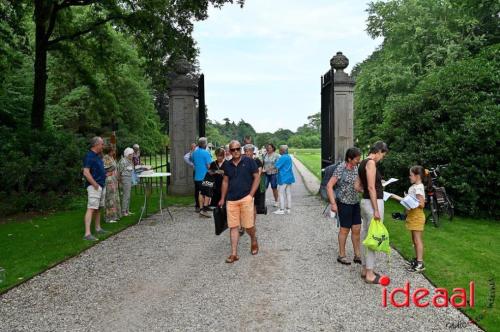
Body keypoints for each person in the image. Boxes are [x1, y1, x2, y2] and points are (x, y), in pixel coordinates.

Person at [218, 140, 260, 264]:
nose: (235, 151)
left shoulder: (249, 161)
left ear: (240, 150)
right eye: (233, 149)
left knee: (248, 226)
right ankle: (234, 253)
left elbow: (257, 177)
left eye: (237, 149)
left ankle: (253, 239)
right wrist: (222, 198)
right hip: (231, 200)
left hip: (246, 198)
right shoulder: (227, 164)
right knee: (233, 226)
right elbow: (225, 182)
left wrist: (251, 195)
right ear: (229, 151)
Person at [357, 141, 389, 284]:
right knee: (374, 237)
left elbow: (357, 186)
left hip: (365, 203)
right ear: (379, 151)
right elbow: (370, 187)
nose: (382, 158)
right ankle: (370, 274)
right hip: (372, 204)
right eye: (383, 155)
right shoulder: (371, 163)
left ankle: (365, 269)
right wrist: (376, 209)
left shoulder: (362, 163)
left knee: (366, 235)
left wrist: (374, 187)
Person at [326, 147, 363, 265]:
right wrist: (333, 203)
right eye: (357, 159)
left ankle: (357, 255)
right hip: (344, 203)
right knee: (345, 229)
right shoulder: (341, 168)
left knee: (357, 229)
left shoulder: (357, 168)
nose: (359, 161)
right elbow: (329, 186)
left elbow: (358, 184)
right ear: (349, 158)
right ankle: (341, 255)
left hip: (355, 203)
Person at [390, 166, 427, 272]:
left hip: (417, 216)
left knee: (417, 240)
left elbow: (422, 204)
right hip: (412, 215)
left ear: (417, 176)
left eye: (411, 175)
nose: (409, 177)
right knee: (414, 240)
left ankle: (420, 264)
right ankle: (417, 260)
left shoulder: (418, 187)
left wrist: (404, 198)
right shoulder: (415, 186)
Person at [82, 137, 109, 241]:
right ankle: (87, 234)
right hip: (94, 187)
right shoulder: (89, 156)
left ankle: (98, 228)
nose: (103, 146)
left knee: (98, 208)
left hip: (101, 185)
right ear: (96, 145)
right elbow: (86, 172)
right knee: (91, 207)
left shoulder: (97, 156)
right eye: (102, 144)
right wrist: (95, 185)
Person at [192, 137, 213, 217]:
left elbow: (193, 161)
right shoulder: (206, 153)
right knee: (207, 194)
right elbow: (209, 166)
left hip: (197, 177)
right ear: (205, 144)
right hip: (205, 177)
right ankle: (205, 209)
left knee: (200, 193)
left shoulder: (194, 152)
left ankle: (201, 209)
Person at [244, 144, 263, 223]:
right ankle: (243, 226)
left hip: (254, 187)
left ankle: (252, 224)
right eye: (246, 151)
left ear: (253, 152)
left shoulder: (257, 161)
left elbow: (258, 174)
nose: (248, 153)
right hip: (244, 187)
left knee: (253, 207)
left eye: (250, 151)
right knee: (243, 207)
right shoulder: (242, 161)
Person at [273, 145, 295, 215]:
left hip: (284, 177)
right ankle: (288, 209)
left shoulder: (283, 157)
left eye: (280, 150)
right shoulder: (288, 156)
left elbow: (276, 166)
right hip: (289, 177)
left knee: (280, 193)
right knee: (288, 193)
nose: (279, 151)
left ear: (282, 150)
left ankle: (281, 209)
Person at [103, 145, 122, 223]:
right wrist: (107, 173)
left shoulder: (111, 157)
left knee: (115, 197)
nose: (114, 151)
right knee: (110, 198)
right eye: (113, 150)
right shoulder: (106, 158)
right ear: (110, 151)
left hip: (113, 180)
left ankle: (115, 215)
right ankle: (109, 217)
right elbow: (104, 169)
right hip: (109, 180)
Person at [118, 147, 135, 217]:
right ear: (127, 154)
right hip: (125, 179)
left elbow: (132, 169)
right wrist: (120, 181)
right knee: (126, 195)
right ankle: (123, 211)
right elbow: (119, 172)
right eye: (131, 154)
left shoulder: (129, 161)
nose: (132, 155)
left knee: (128, 195)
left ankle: (127, 210)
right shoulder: (123, 161)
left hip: (129, 178)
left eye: (132, 154)